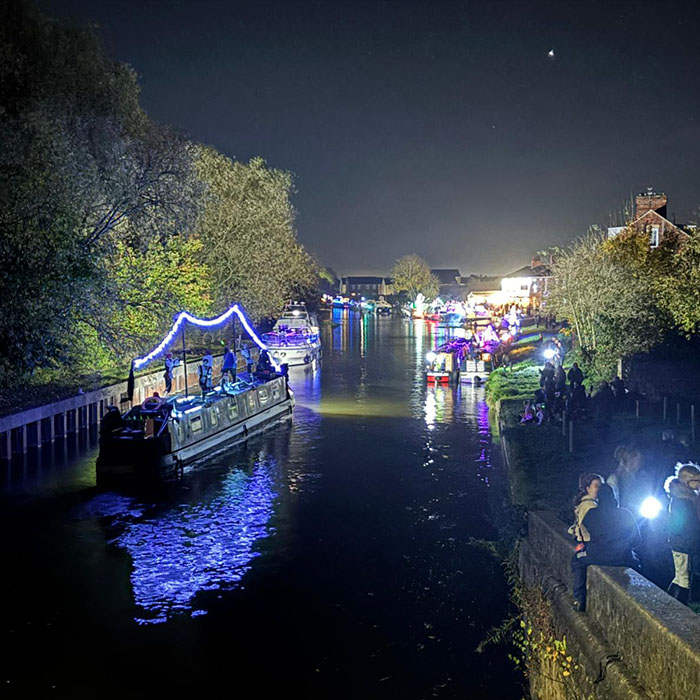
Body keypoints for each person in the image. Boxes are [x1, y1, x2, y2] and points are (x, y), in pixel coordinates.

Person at [571, 483, 641, 611]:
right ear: (614, 497)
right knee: (637, 563)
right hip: (622, 557)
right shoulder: (625, 514)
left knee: (577, 559)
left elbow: (586, 537)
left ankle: (579, 598)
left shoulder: (592, 514)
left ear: (599, 498)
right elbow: (637, 540)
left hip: (597, 556)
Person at [664, 463, 700, 605]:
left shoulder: (689, 498)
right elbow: (679, 527)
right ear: (687, 482)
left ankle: (670, 602)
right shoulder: (681, 501)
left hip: (685, 544)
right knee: (683, 580)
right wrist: (688, 545)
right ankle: (677, 605)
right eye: (696, 481)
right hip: (683, 546)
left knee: (681, 577)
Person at [568, 473, 603, 543]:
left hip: (580, 537)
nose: (599, 489)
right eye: (596, 486)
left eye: (600, 486)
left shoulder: (584, 501)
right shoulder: (590, 505)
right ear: (588, 488)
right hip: (586, 540)